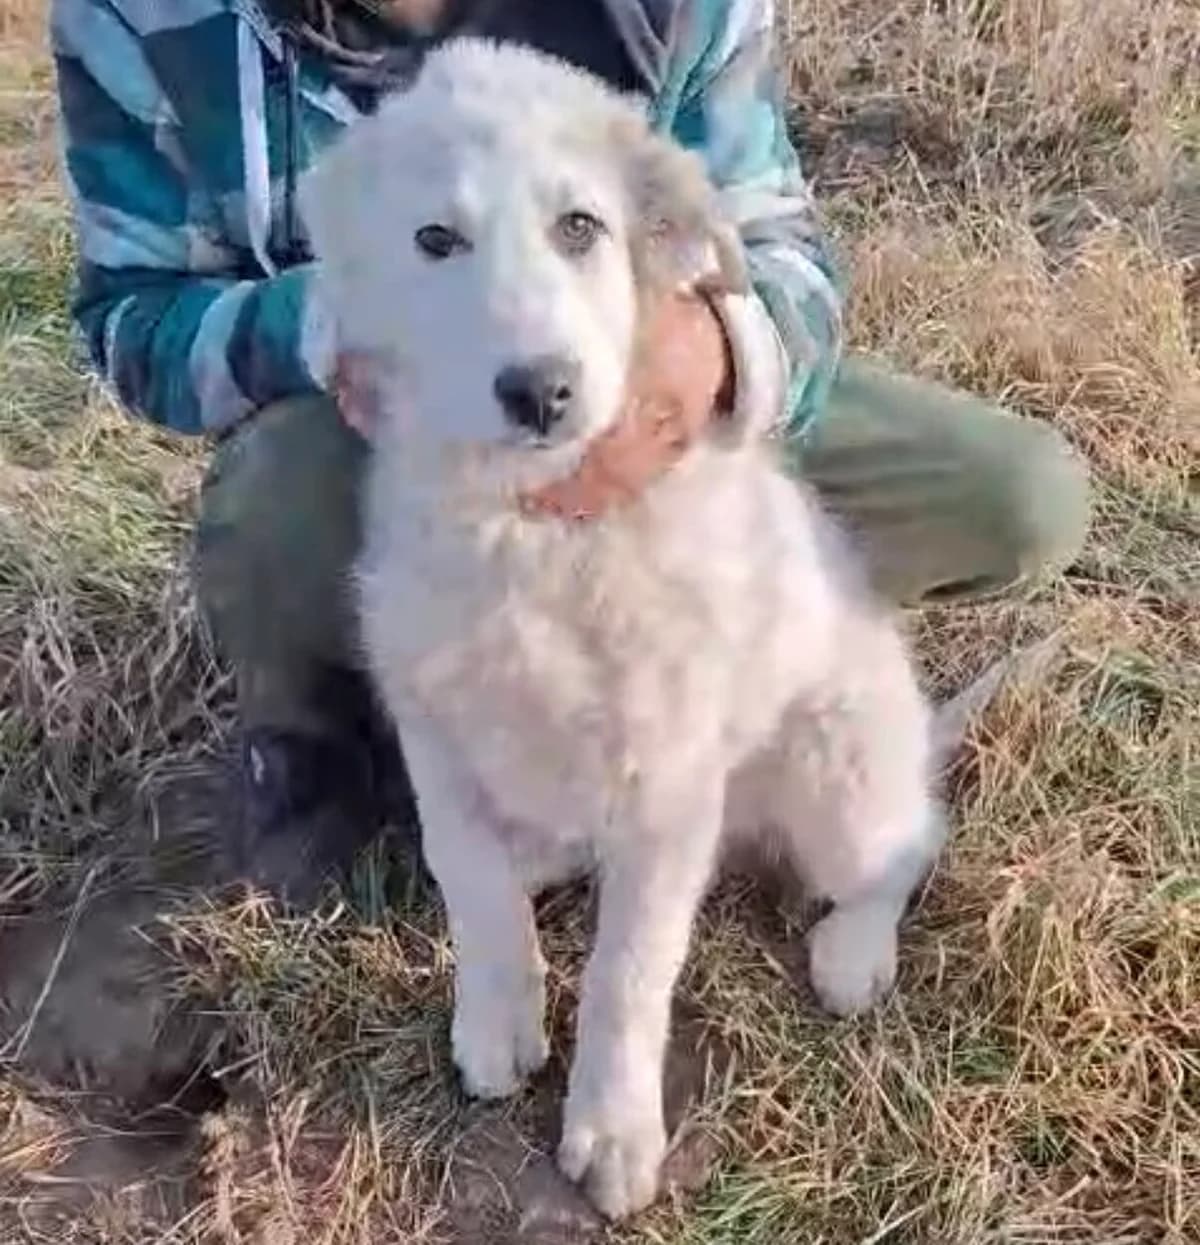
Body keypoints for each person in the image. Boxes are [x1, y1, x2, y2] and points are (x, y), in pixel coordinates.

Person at [50, 0, 1089, 902]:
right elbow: (134, 321)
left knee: (1012, 496)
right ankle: (329, 740)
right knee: (275, 502)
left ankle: (709, 692)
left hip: (647, 404)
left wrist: (710, 352)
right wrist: (326, 318)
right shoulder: (137, 16)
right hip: (390, 446)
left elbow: (782, 247)